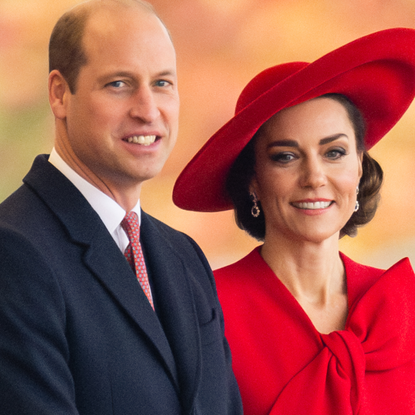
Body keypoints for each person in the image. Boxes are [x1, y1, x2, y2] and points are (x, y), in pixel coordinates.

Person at [0, 1, 243, 414]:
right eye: (119, 84)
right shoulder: (14, 252)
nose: (148, 110)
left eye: (162, 83)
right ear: (59, 94)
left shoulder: (184, 257)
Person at [173, 28, 415, 414]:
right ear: (252, 178)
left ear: (359, 167)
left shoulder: (403, 303)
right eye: (286, 156)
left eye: (334, 152)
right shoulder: (203, 310)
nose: (315, 177)